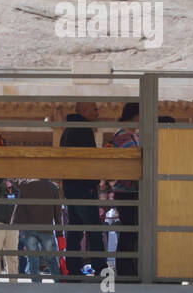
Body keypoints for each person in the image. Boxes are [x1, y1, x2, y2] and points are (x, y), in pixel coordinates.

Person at [60, 101, 102, 277]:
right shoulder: (83, 129)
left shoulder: (67, 130)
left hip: (71, 186)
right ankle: (101, 268)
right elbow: (88, 160)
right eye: (94, 109)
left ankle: (72, 267)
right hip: (83, 187)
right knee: (94, 228)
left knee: (75, 229)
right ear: (84, 110)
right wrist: (92, 185)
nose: (98, 112)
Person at [106, 103, 140, 277]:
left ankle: (130, 267)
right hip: (127, 190)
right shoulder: (122, 135)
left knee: (132, 231)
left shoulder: (134, 134)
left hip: (133, 190)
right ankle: (125, 269)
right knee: (129, 231)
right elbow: (133, 159)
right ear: (135, 115)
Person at [11, 178, 63, 280]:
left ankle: (36, 282)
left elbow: (14, 180)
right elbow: (58, 212)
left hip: (30, 228)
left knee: (33, 258)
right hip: (47, 228)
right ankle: (57, 280)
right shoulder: (53, 188)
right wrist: (59, 232)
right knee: (51, 258)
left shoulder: (26, 184)